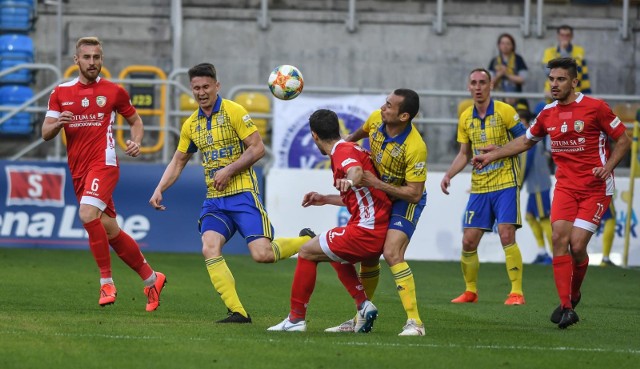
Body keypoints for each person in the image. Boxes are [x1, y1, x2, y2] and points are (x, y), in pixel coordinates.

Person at [472, 57, 631, 329]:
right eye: (552, 79)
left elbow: (623, 140)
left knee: (578, 246)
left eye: (560, 79)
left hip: (595, 188)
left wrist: (608, 167)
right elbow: (526, 140)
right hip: (566, 187)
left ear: (574, 82)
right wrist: (494, 154)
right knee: (559, 237)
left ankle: (575, 293)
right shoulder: (547, 113)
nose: (554, 84)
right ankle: (566, 306)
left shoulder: (596, 108)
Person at [149, 63, 311, 323]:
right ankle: (238, 311)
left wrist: (229, 170)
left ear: (217, 86)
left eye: (206, 87)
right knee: (209, 247)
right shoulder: (191, 125)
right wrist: (159, 188)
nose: (201, 92)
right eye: (196, 88)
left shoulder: (235, 111)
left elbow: (257, 149)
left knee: (262, 255)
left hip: (243, 194)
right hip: (214, 201)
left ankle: (305, 241)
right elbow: (178, 161)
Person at [41, 36, 166, 311]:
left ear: (102, 59)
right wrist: (58, 124)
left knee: (87, 214)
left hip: (105, 163)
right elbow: (45, 132)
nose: (92, 62)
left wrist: (136, 140)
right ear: (76, 60)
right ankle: (152, 279)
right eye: (87, 57)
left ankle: (106, 282)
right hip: (79, 170)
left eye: (97, 57)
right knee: (111, 230)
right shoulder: (60, 93)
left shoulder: (113, 91)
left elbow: (135, 120)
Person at [267, 109, 391, 333]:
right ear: (338, 128)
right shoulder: (351, 147)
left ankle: (295, 320)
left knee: (306, 251)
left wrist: (351, 181)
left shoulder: (342, 152)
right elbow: (360, 196)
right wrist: (324, 199)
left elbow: (355, 171)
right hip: (376, 226)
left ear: (314, 136)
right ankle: (363, 306)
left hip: (367, 230)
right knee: (330, 250)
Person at [324, 89, 428, 336]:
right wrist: (343, 161)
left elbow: (414, 193)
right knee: (369, 256)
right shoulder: (375, 120)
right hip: (378, 194)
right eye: (385, 103)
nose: (383, 108)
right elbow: (349, 141)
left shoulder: (416, 147)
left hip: (404, 200)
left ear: (404, 116)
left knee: (392, 252)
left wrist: (376, 183)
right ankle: (360, 315)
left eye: (389, 106)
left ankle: (415, 323)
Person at [440, 68, 526, 306]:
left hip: (505, 182)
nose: (478, 87)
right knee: (468, 240)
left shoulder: (505, 111)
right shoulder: (465, 117)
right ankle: (470, 291)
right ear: (469, 87)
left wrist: (498, 151)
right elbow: (464, 153)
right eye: (473, 83)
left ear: (491, 86)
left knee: (507, 233)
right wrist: (449, 174)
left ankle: (516, 292)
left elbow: (526, 140)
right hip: (479, 186)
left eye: (482, 82)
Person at [515, 100, 553, 265]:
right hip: (535, 183)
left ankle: (556, 254)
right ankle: (543, 252)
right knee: (531, 216)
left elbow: (526, 162)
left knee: (543, 217)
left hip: (538, 183)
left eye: (523, 118)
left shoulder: (529, 135)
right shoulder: (531, 132)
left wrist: (518, 184)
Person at [542, 25, 591, 100]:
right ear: (558, 36)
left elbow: (580, 72)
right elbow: (547, 72)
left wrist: (588, 94)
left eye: (567, 35)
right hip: (552, 94)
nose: (564, 38)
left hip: (574, 94)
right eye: (562, 35)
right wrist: (563, 51)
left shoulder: (579, 51)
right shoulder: (549, 51)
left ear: (571, 37)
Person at [488, 33, 528, 106]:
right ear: (499, 45)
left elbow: (523, 79)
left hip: (515, 97)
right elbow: (489, 83)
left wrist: (506, 74)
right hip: (497, 97)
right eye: (502, 43)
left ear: (512, 46)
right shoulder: (494, 61)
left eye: (508, 43)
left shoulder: (518, 60)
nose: (505, 46)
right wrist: (499, 75)